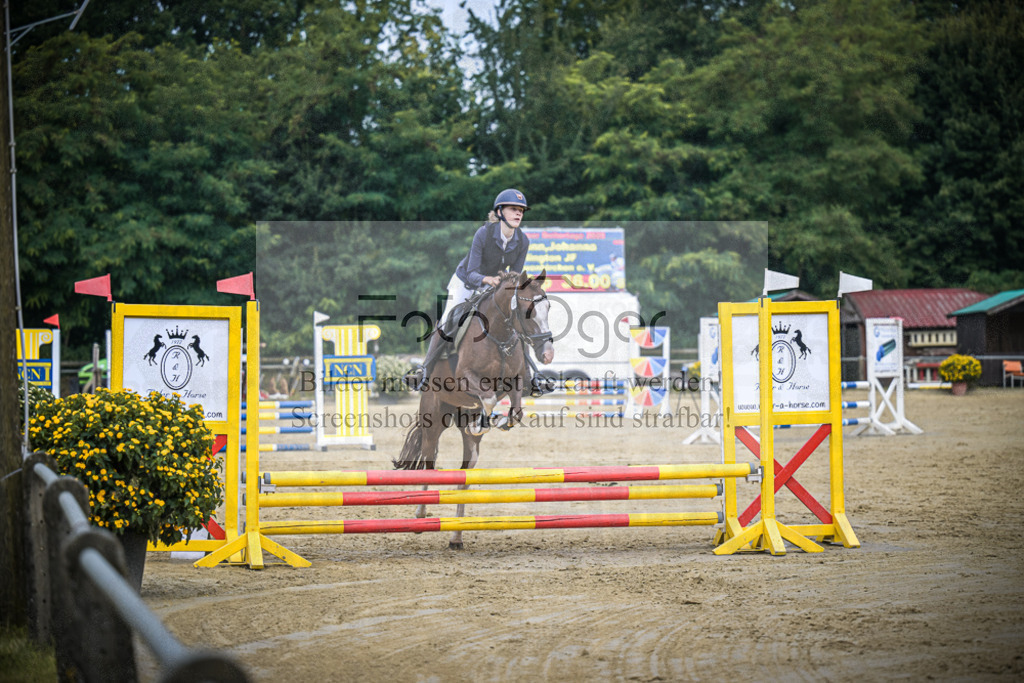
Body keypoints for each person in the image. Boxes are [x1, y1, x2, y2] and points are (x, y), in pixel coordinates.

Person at [408, 188, 548, 395]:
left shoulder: (522, 241)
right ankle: (424, 372)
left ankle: (530, 378)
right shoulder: (484, 234)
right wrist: (487, 279)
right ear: (500, 212)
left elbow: (515, 276)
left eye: (521, 210)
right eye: (513, 209)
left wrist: (511, 290)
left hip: (494, 287)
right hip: (466, 282)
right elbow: (472, 272)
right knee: (448, 320)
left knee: (517, 320)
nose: (519, 213)